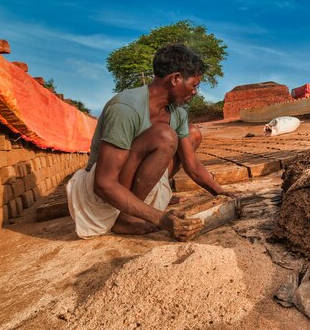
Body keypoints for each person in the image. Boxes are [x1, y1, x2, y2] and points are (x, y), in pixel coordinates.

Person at [67, 43, 232, 241]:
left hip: (127, 185)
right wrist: (160, 219)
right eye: (194, 85)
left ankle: (142, 204)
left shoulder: (177, 112)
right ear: (175, 79)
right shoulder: (126, 108)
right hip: (100, 197)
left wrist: (222, 193)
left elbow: (192, 165)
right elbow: (103, 184)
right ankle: (126, 218)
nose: (195, 92)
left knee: (192, 134)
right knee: (164, 136)